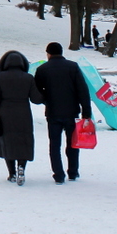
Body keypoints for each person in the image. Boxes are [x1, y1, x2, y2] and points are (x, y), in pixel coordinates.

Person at [35, 42, 92, 184]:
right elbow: (82, 90)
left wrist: (46, 100)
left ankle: (58, 174)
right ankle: (73, 172)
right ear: (61, 53)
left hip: (53, 112)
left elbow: (36, 91)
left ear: (48, 53)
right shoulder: (72, 67)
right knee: (73, 143)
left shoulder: (42, 69)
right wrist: (86, 112)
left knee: (54, 144)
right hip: (71, 112)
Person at [0, 50, 44, 185]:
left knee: (7, 142)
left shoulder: (0, 77)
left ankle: (12, 173)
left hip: (5, 113)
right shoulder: (28, 78)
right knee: (23, 141)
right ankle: (21, 167)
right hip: (23, 113)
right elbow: (36, 99)